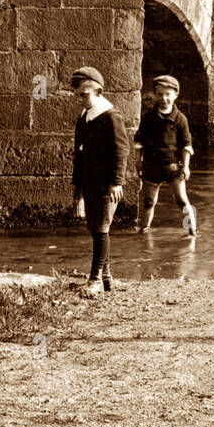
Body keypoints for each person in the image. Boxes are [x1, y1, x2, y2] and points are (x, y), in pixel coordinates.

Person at [70, 66, 130, 295]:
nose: (81, 98)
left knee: (101, 228)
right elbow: (79, 154)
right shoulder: (84, 117)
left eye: (85, 94)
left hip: (107, 184)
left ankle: (94, 279)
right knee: (94, 228)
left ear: (98, 90)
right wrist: (78, 188)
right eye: (79, 95)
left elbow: (121, 151)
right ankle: (107, 278)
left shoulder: (111, 117)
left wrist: (117, 182)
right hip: (89, 182)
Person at [134, 74, 197, 236]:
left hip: (173, 167)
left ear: (175, 95)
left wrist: (186, 167)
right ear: (155, 95)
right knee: (149, 201)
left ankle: (192, 232)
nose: (164, 98)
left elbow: (186, 145)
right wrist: (138, 161)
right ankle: (144, 230)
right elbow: (139, 142)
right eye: (160, 94)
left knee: (181, 200)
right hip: (151, 166)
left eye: (168, 94)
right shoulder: (148, 119)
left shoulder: (180, 119)